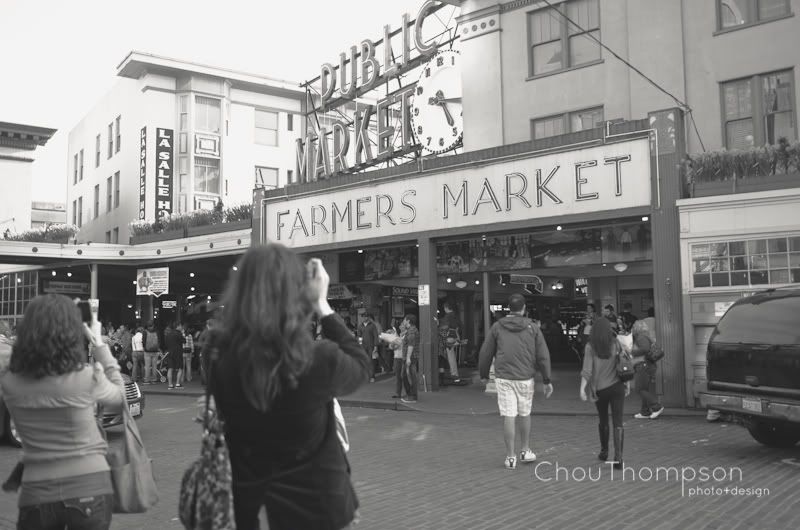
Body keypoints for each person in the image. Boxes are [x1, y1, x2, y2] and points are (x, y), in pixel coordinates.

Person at [203, 244, 369, 530]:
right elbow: (361, 366)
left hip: (249, 509)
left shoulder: (221, 361)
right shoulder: (318, 360)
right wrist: (323, 307)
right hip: (320, 509)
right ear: (297, 294)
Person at [0, 294, 124, 530]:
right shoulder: (86, 377)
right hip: (89, 487)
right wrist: (99, 344)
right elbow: (120, 397)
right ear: (72, 332)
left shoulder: (10, 381)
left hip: (36, 492)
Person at [478, 293, 554, 470]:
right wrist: (547, 379)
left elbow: (486, 352)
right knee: (524, 413)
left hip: (504, 377)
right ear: (524, 308)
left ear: (508, 308)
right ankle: (525, 450)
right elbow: (543, 355)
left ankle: (510, 457)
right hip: (525, 377)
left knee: (509, 415)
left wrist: (484, 374)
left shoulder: (497, 326)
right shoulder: (532, 327)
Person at [579, 316, 630, 469]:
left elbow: (587, 370)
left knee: (603, 420)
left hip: (600, 389)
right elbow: (625, 364)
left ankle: (604, 451)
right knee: (618, 421)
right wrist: (627, 383)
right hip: (617, 387)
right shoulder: (616, 343)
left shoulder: (590, 346)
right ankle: (619, 457)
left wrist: (582, 388)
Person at [631, 307, 664, 419]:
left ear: (637, 328)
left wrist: (632, 352)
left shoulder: (641, 337)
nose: (632, 328)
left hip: (643, 365)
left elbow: (644, 349)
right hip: (648, 365)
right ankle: (645, 411)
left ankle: (656, 406)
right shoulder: (646, 336)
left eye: (633, 327)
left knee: (639, 389)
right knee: (644, 388)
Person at [379, 318, 405, 399]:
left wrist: (395, 343)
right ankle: (398, 393)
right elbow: (391, 346)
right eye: (400, 325)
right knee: (398, 376)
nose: (401, 326)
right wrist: (393, 345)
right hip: (397, 357)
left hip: (403, 357)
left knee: (404, 376)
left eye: (402, 325)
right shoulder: (399, 335)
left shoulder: (405, 335)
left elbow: (401, 344)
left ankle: (407, 392)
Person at [400, 314, 420, 404]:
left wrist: (408, 358)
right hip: (410, 356)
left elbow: (411, 345)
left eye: (404, 320)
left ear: (408, 321)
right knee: (405, 375)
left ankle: (412, 396)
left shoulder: (411, 331)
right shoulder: (411, 330)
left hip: (411, 357)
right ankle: (410, 394)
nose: (403, 321)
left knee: (410, 376)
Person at [442, 302, 462, 383]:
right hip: (455, 337)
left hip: (448, 337)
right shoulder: (456, 316)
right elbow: (460, 326)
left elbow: (444, 328)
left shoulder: (447, 317)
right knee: (451, 356)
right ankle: (453, 373)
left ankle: (454, 375)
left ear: (446, 308)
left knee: (449, 356)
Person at [359, 312, 380, 383]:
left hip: (371, 346)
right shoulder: (360, 326)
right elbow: (359, 337)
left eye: (365, 317)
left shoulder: (372, 325)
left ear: (368, 317)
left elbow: (375, 336)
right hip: (363, 346)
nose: (364, 318)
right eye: (363, 317)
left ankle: (372, 376)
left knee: (371, 361)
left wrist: (376, 346)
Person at [164, 322, 184, 389]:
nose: (181, 327)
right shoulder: (179, 333)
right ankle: (177, 384)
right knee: (180, 368)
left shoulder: (168, 334)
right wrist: (183, 333)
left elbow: (166, 344)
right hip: (178, 352)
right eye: (181, 326)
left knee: (170, 368)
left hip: (170, 352)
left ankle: (170, 385)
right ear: (178, 326)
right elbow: (184, 341)